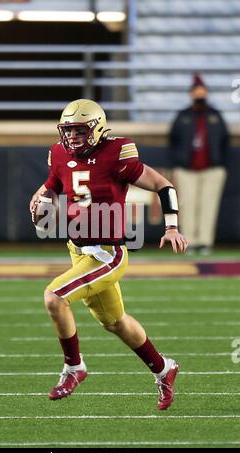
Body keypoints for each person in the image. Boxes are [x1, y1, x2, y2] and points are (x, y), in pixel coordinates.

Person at [30, 99, 188, 410]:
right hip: (77, 250)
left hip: (106, 253)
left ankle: (74, 367)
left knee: (54, 297)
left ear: (97, 129)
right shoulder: (59, 153)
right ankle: (164, 368)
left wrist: (171, 227)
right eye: (68, 131)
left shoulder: (117, 152)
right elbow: (52, 184)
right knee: (115, 322)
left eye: (79, 131)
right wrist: (40, 198)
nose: (72, 137)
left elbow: (163, 185)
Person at [169, 74, 229, 255]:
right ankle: (190, 241)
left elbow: (224, 140)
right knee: (187, 204)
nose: (200, 94)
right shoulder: (183, 116)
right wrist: (178, 161)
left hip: (212, 169)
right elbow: (173, 140)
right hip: (187, 169)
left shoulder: (215, 116)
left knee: (208, 205)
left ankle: (204, 242)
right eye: (197, 92)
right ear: (191, 94)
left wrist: (219, 161)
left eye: (202, 91)